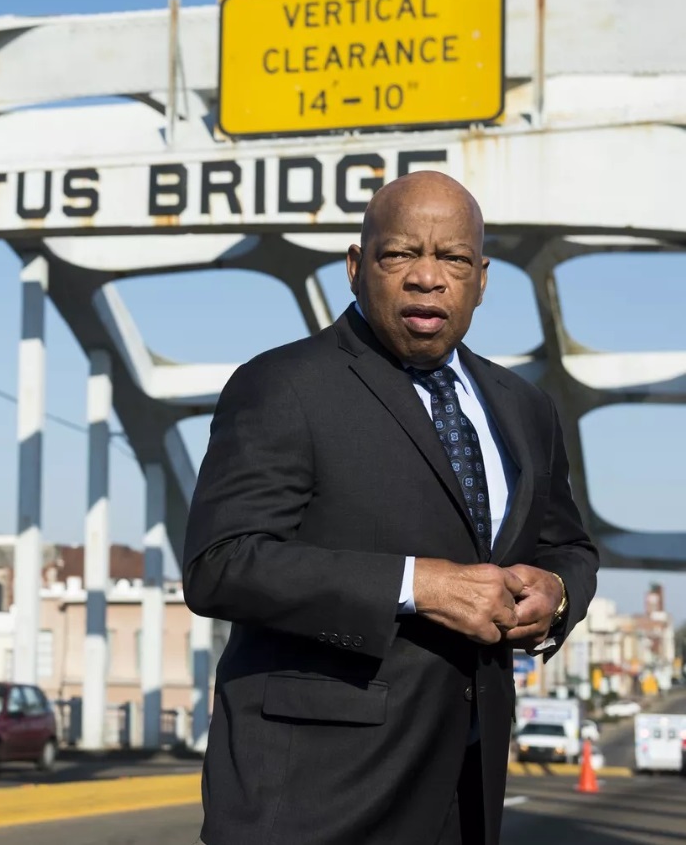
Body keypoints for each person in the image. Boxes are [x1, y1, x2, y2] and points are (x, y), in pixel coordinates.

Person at [183, 171, 598, 845]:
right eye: (399, 253)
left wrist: (554, 596)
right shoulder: (283, 384)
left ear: (482, 277)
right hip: (310, 800)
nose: (425, 277)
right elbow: (219, 563)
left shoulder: (524, 408)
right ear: (354, 267)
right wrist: (417, 585)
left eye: (452, 258)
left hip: (467, 786)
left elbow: (568, 547)